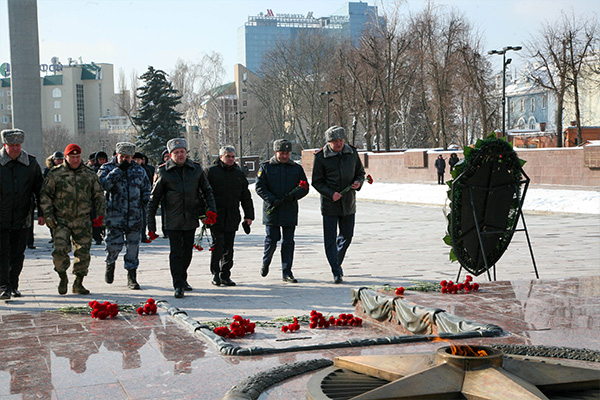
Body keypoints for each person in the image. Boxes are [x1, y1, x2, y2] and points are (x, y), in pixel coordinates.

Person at [147, 138, 216, 298]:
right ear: (170, 155)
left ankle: (182, 277)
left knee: (187, 252)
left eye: (182, 152)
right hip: (173, 220)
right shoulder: (163, 171)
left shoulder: (196, 169)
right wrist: (151, 225)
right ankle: (178, 284)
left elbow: (207, 191)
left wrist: (211, 210)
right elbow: (154, 199)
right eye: (176, 153)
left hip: (191, 217)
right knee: (176, 252)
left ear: (186, 153)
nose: (180, 155)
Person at [40, 143, 106, 295]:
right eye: (72, 157)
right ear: (66, 157)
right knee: (60, 251)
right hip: (61, 220)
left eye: (77, 157)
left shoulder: (89, 174)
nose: (75, 160)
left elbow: (99, 196)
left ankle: (78, 282)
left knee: (83, 252)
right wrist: (48, 215)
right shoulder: (56, 173)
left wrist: (100, 216)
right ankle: (62, 277)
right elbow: (45, 195)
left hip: (82, 220)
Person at [311, 126, 365, 284]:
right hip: (330, 204)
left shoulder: (352, 153)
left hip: (348, 202)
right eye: (335, 142)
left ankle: (336, 261)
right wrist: (330, 193)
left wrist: (358, 182)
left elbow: (360, 172)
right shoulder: (321, 156)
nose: (339, 144)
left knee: (347, 236)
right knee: (330, 239)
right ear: (329, 142)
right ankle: (336, 270)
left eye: (341, 140)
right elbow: (317, 181)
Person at [98, 143, 151, 290]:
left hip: (134, 216)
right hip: (114, 215)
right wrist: (118, 171)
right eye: (122, 157)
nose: (124, 160)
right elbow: (103, 185)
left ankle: (132, 276)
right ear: (116, 155)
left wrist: (145, 203)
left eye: (128, 157)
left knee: (133, 247)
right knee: (113, 245)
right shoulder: (107, 168)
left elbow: (146, 188)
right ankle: (110, 264)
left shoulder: (139, 170)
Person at [255, 139, 309, 283]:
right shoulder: (266, 167)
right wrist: (272, 199)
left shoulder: (296, 168)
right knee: (272, 240)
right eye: (281, 153)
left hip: (289, 210)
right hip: (272, 210)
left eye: (286, 153)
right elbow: (260, 187)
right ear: (276, 152)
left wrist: (293, 196)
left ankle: (287, 271)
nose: (284, 156)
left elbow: (304, 187)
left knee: (288, 242)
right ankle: (266, 262)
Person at [0, 129, 45, 299]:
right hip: (1, 217)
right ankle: (3, 286)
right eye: (11, 145)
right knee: (2, 253)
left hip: (23, 216)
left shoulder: (30, 163)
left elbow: (39, 190)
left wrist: (41, 213)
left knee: (18, 253)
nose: (15, 149)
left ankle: (13, 285)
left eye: (18, 145)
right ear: (5, 145)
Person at [205, 145, 254, 287]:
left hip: (232, 215)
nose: (231, 159)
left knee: (229, 247)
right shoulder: (210, 172)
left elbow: (246, 196)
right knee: (218, 244)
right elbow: (203, 193)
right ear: (221, 157)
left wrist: (248, 215)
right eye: (228, 156)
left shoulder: (238, 174)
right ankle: (215, 273)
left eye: (233, 156)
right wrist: (205, 212)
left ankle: (225, 274)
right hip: (215, 215)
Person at [133, 152, 155, 243]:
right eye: (135, 159)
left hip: (142, 197)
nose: (137, 161)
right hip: (131, 198)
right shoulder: (130, 169)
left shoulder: (146, 170)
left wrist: (146, 196)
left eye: (139, 159)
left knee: (143, 218)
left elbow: (148, 183)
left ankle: (143, 235)